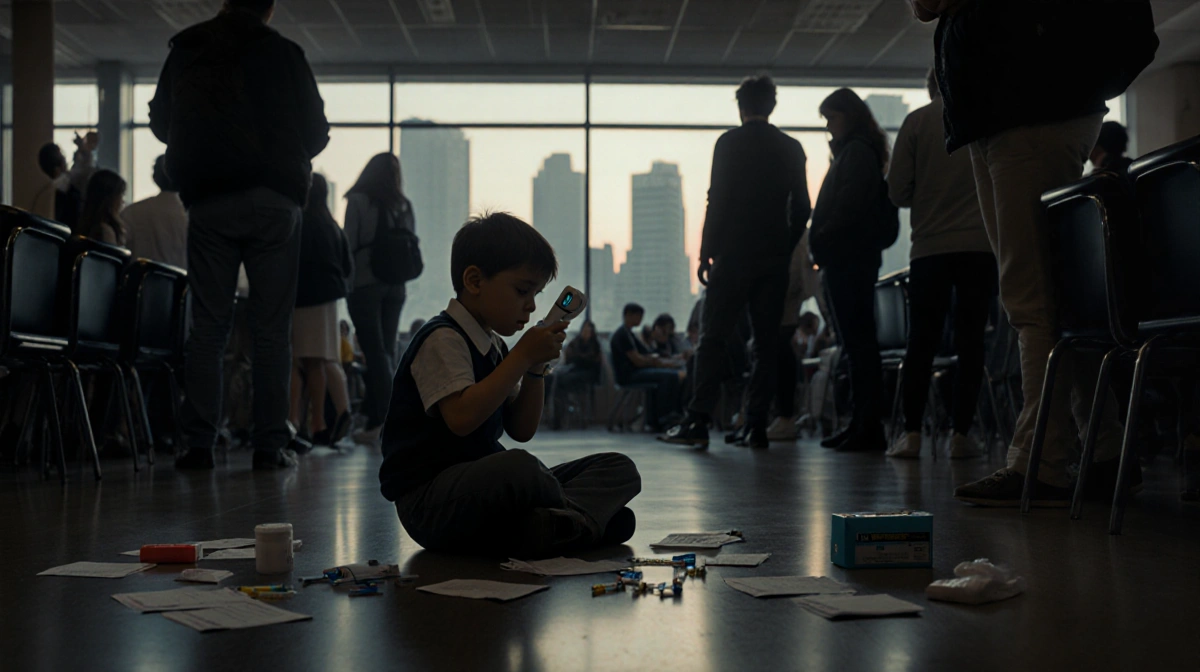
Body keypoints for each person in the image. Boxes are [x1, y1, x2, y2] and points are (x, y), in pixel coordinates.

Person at [912, 0, 1157, 505]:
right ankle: (1106, 451)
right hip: (1015, 108)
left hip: (1024, 107)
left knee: (1032, 296)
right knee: (1055, 297)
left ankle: (1041, 461)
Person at [379, 213, 641, 558]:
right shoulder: (443, 338)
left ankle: (556, 525)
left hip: (483, 494)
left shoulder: (495, 347)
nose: (531, 306)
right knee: (521, 469)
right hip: (430, 502)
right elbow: (461, 418)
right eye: (522, 291)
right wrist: (521, 356)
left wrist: (535, 368)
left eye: (536, 293)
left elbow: (521, 428)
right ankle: (579, 520)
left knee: (620, 468)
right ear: (474, 281)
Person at [151, 0, 330, 470]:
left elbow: (159, 119)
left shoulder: (189, 47)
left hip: (208, 197)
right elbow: (316, 130)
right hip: (275, 199)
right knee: (271, 329)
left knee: (208, 328)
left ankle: (199, 444)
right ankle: (270, 445)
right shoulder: (285, 53)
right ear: (269, 9)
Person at [661, 75, 811, 449]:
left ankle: (697, 420)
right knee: (766, 345)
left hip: (733, 256)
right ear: (772, 106)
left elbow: (717, 199)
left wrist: (705, 251)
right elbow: (803, 208)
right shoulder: (792, 147)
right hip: (773, 261)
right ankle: (756, 424)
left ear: (742, 107)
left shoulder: (728, 143)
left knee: (713, 339)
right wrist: (783, 244)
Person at [885, 69, 998, 460]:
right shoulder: (986, 116)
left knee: (922, 343)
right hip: (979, 247)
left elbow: (897, 191)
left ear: (931, 87)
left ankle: (912, 434)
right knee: (970, 343)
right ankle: (961, 435)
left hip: (930, 248)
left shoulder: (916, 122)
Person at [807, 88, 894, 453]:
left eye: (832, 117)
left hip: (847, 259)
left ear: (848, 116)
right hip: (850, 258)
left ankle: (866, 425)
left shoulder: (855, 153)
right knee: (856, 345)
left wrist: (824, 236)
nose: (828, 126)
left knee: (858, 345)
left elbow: (848, 206)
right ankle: (860, 422)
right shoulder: (856, 151)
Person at [345, 153, 413, 446]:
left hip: (365, 283)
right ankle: (381, 419)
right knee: (386, 351)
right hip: (396, 286)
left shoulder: (359, 200)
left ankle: (385, 421)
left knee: (374, 352)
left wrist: (346, 284)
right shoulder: (404, 204)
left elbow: (349, 243)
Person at [289, 174, 354, 447]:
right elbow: (347, 267)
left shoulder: (298, 222)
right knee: (318, 362)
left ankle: (293, 422)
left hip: (301, 299)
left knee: (294, 362)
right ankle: (318, 424)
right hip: (328, 302)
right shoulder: (331, 225)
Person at [767, 235, 818, 442]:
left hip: (784, 278)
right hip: (785, 274)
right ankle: (783, 416)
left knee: (780, 346)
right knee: (780, 346)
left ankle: (785, 416)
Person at [611, 303, 684, 432]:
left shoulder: (629, 334)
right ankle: (664, 417)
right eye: (638, 316)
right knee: (670, 376)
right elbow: (638, 360)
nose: (640, 320)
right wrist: (654, 361)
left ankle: (658, 418)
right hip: (629, 375)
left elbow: (646, 354)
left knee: (668, 375)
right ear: (628, 315)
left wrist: (659, 360)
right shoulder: (622, 335)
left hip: (635, 372)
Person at [122, 155, 189, 269]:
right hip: (183, 285)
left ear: (155, 177)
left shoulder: (132, 212)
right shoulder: (191, 216)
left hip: (140, 284)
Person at [29, 133, 97, 230]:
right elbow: (87, 171)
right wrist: (84, 150)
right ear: (58, 166)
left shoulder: (44, 192)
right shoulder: (64, 184)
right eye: (63, 156)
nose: (66, 159)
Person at [547, 320, 603, 428]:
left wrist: (578, 358)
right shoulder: (576, 342)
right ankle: (557, 416)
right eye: (585, 329)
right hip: (575, 370)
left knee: (560, 382)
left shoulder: (594, 344)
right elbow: (570, 357)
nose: (586, 331)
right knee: (555, 380)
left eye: (589, 329)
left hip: (587, 374)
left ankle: (558, 417)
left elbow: (590, 361)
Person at [79, 169, 128, 247]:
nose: (122, 201)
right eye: (120, 195)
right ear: (110, 198)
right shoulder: (106, 231)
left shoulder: (85, 225)